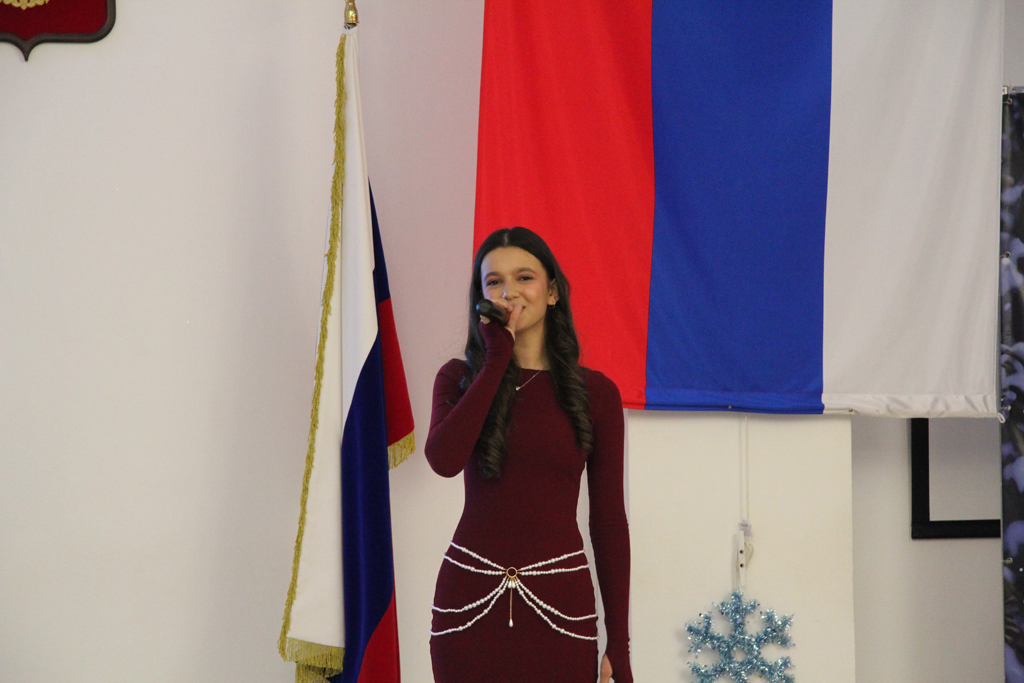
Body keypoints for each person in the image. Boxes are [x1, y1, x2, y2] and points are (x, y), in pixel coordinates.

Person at [424, 227, 632, 683]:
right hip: (468, 606)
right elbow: (443, 460)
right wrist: (496, 358)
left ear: (552, 292)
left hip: (562, 610)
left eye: (524, 278)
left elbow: (608, 521)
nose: (509, 291)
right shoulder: (458, 377)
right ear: (481, 298)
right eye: (494, 282)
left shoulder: (596, 394)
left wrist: (619, 641)